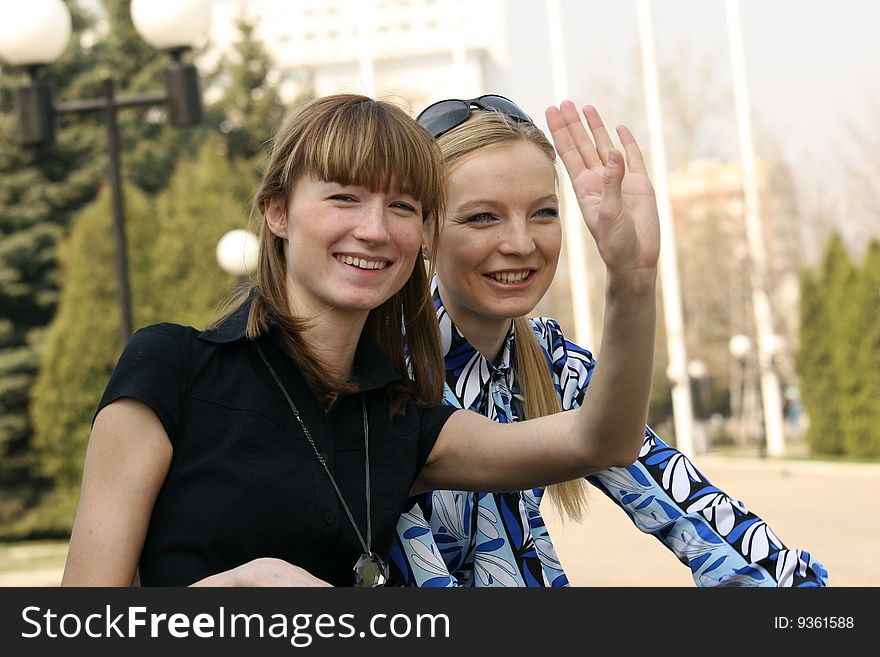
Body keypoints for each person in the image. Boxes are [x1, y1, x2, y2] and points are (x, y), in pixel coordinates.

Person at [60, 93, 660, 587]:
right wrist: (235, 592)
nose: (373, 230)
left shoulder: (402, 417)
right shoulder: (170, 368)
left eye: (401, 206)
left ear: (422, 233)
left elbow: (600, 440)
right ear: (277, 211)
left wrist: (632, 281)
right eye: (344, 197)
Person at [388, 94, 827, 587]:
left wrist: (634, 276)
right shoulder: (379, 371)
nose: (520, 243)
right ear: (422, 230)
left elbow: (691, 506)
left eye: (543, 213)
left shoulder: (555, 362)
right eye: (482, 217)